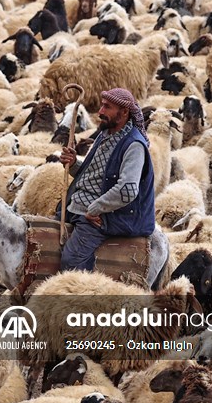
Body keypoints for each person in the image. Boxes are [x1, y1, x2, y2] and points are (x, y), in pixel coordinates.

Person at [56, 88, 156, 272]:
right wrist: (74, 164)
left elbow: (127, 191)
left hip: (107, 216)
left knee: (71, 262)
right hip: (80, 206)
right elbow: (95, 174)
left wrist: (95, 209)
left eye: (107, 107)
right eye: (102, 106)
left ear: (124, 112)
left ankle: (82, 297)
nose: (100, 112)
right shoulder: (106, 134)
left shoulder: (134, 146)